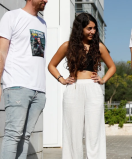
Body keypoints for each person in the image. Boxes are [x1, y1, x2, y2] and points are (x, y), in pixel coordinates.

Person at [0, 0, 50, 158]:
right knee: (13, 135)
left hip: (39, 90)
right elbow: (0, 52)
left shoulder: (42, 23)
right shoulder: (12, 16)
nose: (46, 0)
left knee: (25, 136)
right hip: (17, 86)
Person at [48, 13, 116, 159]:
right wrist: (61, 79)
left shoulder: (99, 47)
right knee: (72, 131)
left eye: (94, 28)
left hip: (93, 89)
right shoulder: (67, 46)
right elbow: (51, 65)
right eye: (89, 28)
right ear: (80, 28)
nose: (93, 31)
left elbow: (112, 67)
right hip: (74, 89)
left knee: (95, 131)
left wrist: (103, 79)